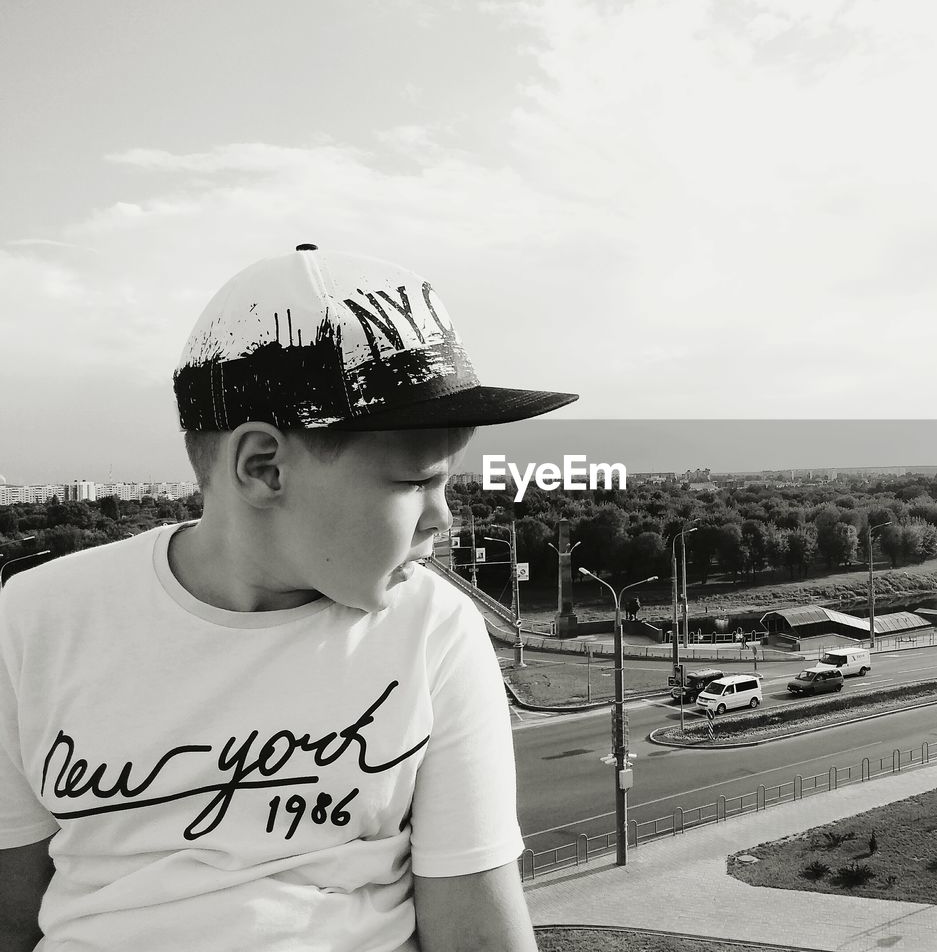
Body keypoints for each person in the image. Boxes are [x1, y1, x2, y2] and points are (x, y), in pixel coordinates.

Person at [0, 245, 577, 951]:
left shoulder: (434, 629)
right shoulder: (34, 621)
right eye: (414, 483)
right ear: (263, 468)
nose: (443, 518)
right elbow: (12, 906)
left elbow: (478, 928)